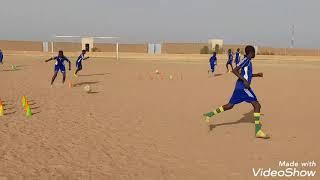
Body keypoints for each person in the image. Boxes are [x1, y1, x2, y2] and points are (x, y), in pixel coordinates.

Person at [203, 45, 269, 139]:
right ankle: (258, 131)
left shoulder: (248, 61)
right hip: (243, 88)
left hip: (240, 87)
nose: (255, 54)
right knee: (257, 105)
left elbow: (245, 74)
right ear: (251, 53)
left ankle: (210, 114)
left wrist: (256, 75)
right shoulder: (246, 60)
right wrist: (244, 81)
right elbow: (235, 70)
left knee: (230, 106)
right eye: (254, 52)